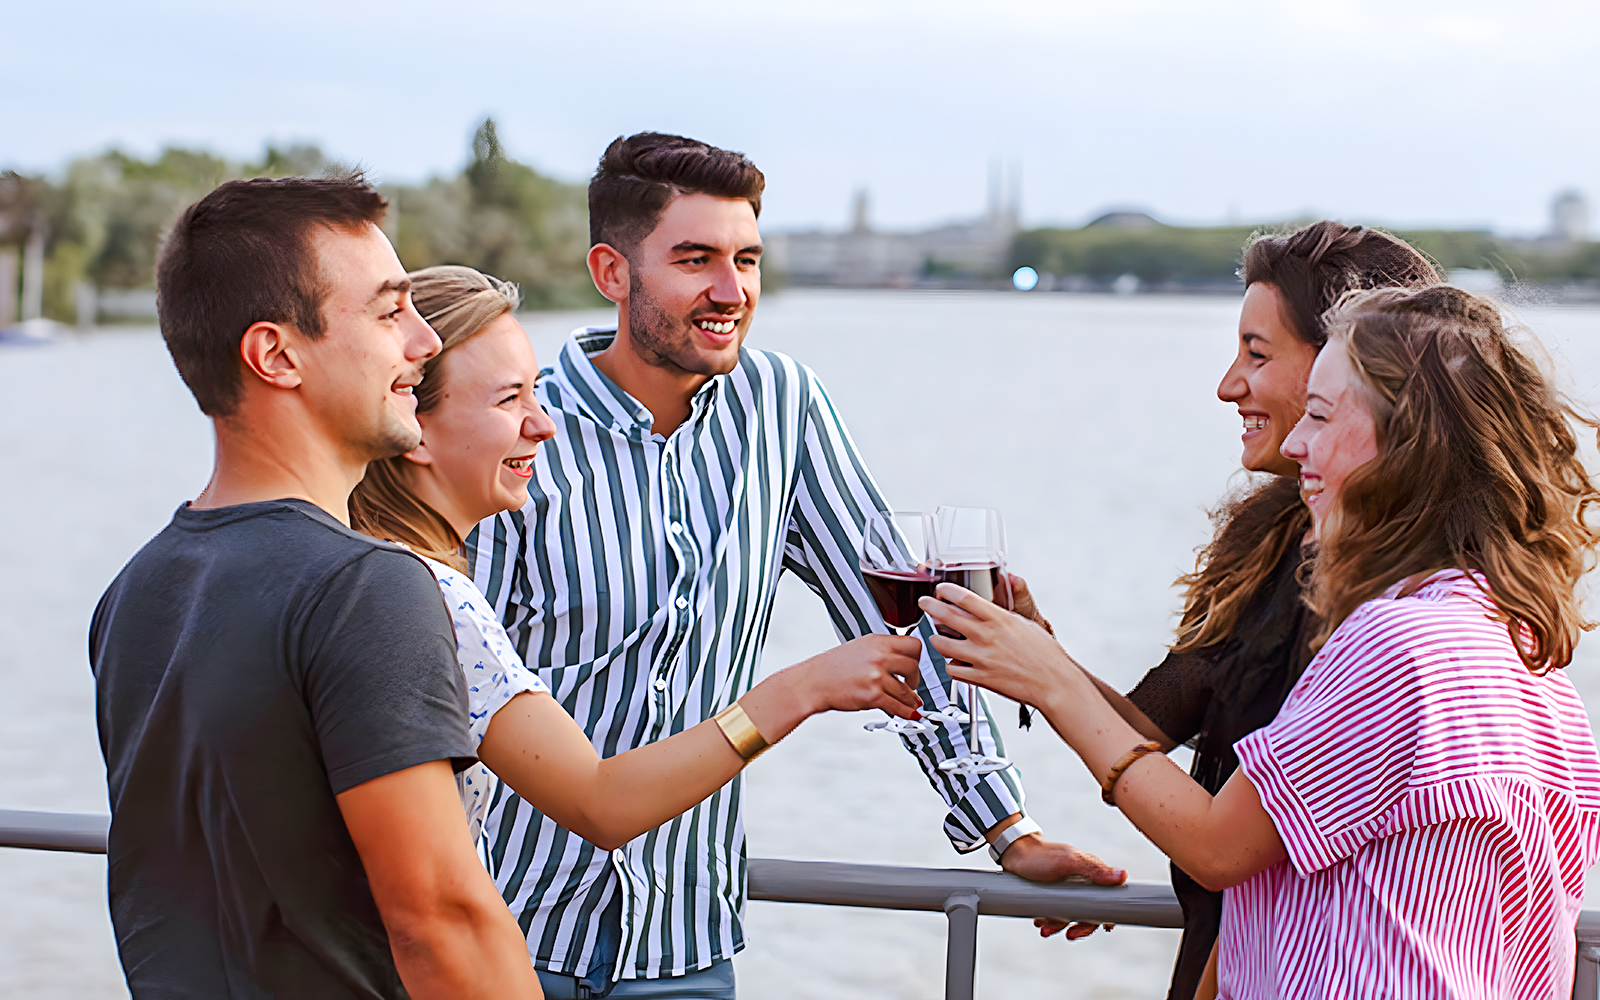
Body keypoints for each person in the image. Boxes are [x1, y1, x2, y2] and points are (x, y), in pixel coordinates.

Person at [467, 132, 1122, 998]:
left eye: (747, 260)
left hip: (684, 954)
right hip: (507, 938)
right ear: (611, 272)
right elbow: (452, 696)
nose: (730, 292)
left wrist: (1007, 827)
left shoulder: (783, 407)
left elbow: (894, 627)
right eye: (695, 259)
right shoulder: (520, 427)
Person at [925, 284, 1600, 998]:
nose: (1297, 443)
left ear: (1408, 444)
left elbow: (1218, 846)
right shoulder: (1526, 656)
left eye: (1318, 414)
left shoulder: (1398, 642)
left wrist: (1052, 684)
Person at [89, 176, 542, 998]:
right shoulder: (370, 588)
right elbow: (441, 920)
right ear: (276, 355)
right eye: (387, 311)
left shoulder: (136, 592)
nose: (424, 342)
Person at [348, 263, 926, 854]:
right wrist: (802, 689)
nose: (544, 426)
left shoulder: (352, 567)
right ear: (412, 429)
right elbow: (599, 804)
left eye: (536, 393)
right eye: (508, 400)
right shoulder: (431, 600)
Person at [1010, 221, 1442, 999]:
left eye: (1257, 354)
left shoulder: (1402, 611)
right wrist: (1034, 648)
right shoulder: (1274, 538)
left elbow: (1243, 855)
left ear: (1352, 364)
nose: (1227, 384)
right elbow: (1147, 729)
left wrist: (1047, 679)